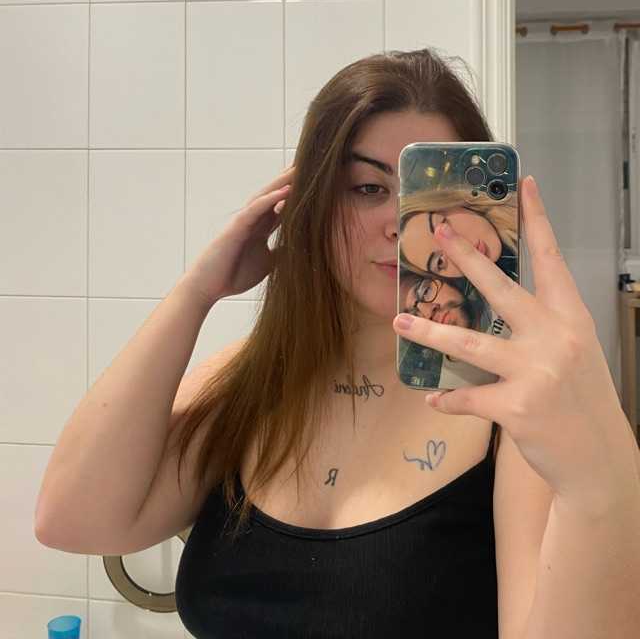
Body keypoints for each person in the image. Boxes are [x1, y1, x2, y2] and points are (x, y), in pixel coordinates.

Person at [35, 47, 640, 639]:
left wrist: (601, 481)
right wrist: (197, 291)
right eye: (367, 188)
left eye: (432, 193)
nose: (400, 223)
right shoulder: (253, 380)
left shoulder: (512, 413)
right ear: (312, 203)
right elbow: (72, 520)